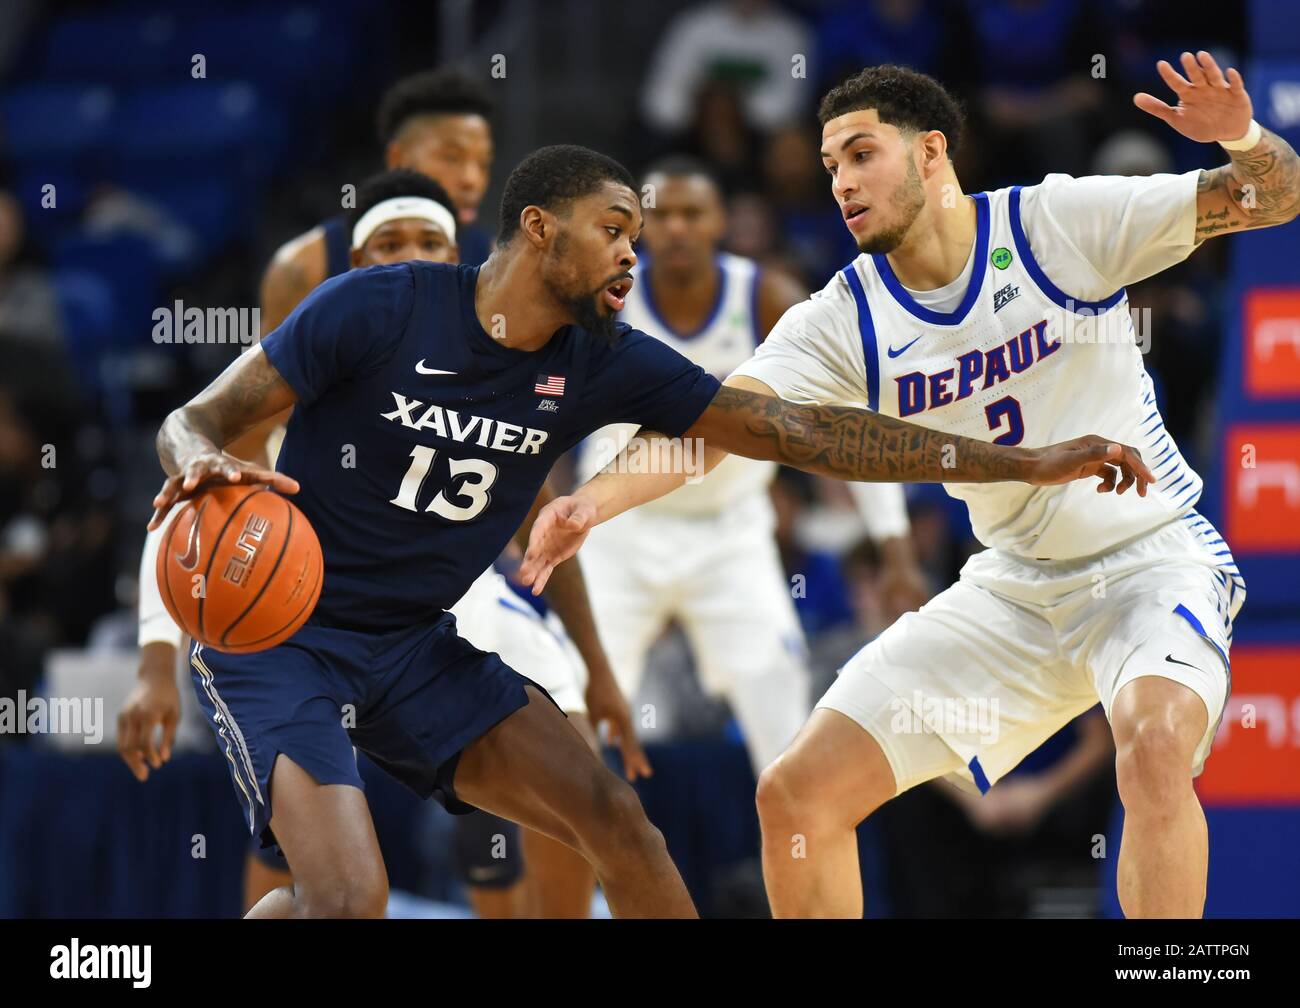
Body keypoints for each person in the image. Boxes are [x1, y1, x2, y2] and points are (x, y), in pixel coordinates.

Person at [146, 143, 1142, 918]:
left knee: (618, 820)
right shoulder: (378, 305)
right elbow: (195, 417)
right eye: (614, 227)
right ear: (539, 230)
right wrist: (195, 462)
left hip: (414, 645)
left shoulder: (603, 360)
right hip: (280, 637)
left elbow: (796, 430)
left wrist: (1009, 461)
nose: (634, 249)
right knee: (347, 899)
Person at [523, 57, 1295, 919]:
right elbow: (715, 426)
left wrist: (1243, 137)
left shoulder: (1056, 221)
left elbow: (1275, 196)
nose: (842, 184)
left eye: (861, 155)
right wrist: (590, 502)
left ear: (931, 153)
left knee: (1152, 749)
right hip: (1014, 585)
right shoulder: (843, 316)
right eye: (829, 169)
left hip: (1151, 560)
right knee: (796, 795)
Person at [123, 170, 624, 919]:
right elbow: (193, 517)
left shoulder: (506, 362)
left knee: (577, 757)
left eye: (430, 242)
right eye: (389, 242)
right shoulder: (305, 361)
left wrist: (597, 664)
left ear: (460, 259)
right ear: (356, 265)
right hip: (295, 606)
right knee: (313, 876)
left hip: (442, 605)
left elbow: (543, 523)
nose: (409, 255)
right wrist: (156, 659)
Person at [578, 155, 926, 774]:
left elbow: (847, 422)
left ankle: (792, 867)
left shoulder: (765, 297)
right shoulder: (606, 298)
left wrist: (894, 547)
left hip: (731, 530)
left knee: (782, 728)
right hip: (619, 529)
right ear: (639, 228)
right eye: (665, 215)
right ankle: (577, 873)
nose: (679, 228)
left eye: (694, 214)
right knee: (578, 708)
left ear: (720, 222)